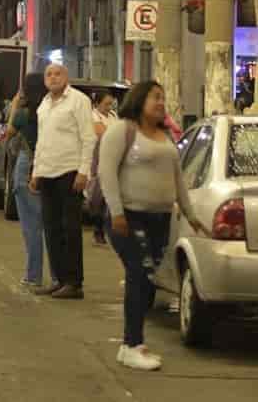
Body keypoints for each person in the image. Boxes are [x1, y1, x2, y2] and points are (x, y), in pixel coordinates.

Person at [99, 80, 207, 372]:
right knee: (140, 275)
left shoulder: (165, 136)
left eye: (163, 98)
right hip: (128, 218)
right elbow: (106, 171)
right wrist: (117, 212)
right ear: (139, 99)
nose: (161, 103)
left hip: (159, 220)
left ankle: (128, 345)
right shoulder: (123, 130)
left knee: (147, 282)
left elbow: (178, 180)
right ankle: (134, 344)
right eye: (155, 97)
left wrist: (191, 214)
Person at [29, 64, 96, 299]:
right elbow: (42, 141)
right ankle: (58, 278)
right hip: (46, 172)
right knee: (51, 228)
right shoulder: (44, 104)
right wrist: (36, 172)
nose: (53, 77)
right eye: (49, 74)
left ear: (66, 77)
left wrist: (83, 171)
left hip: (69, 172)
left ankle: (74, 282)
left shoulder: (78, 101)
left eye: (58, 74)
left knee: (70, 229)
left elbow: (89, 138)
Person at [3, 73, 48, 287]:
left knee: (31, 226)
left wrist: (14, 105)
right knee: (50, 226)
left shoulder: (24, 113)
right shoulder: (49, 111)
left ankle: (33, 275)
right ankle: (58, 277)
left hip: (26, 167)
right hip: (48, 168)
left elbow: (8, 133)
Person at [89, 91, 117, 246]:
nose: (109, 107)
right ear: (97, 104)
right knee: (98, 198)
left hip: (113, 160)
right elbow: (103, 135)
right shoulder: (93, 116)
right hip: (97, 160)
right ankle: (98, 230)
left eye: (110, 104)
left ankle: (107, 231)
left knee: (110, 198)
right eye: (106, 104)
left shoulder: (113, 116)